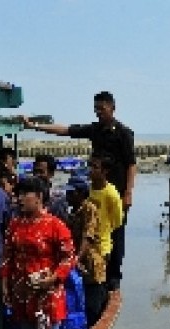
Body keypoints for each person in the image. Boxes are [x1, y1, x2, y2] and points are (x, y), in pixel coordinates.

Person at [21, 90, 136, 290]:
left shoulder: (124, 133)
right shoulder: (95, 129)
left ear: (112, 108)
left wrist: (128, 192)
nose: (98, 112)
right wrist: (35, 126)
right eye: (96, 109)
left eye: (102, 108)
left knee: (116, 232)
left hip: (116, 191)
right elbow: (66, 130)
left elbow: (131, 165)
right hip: (96, 188)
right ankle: (92, 267)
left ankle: (114, 276)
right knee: (92, 229)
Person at [0, 177, 75, 329]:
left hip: (47, 293)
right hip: (22, 293)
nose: (19, 198)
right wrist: (5, 283)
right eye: (19, 194)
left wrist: (53, 279)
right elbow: (7, 257)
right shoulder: (15, 224)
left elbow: (68, 257)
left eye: (25, 194)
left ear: (40, 197)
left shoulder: (55, 225)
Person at [65, 174, 107, 327]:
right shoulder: (72, 212)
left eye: (71, 193)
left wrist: (76, 258)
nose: (67, 196)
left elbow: (87, 237)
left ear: (81, 193)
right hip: (78, 264)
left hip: (91, 265)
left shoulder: (89, 209)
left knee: (93, 308)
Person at [87, 154, 124, 271]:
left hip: (101, 247)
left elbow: (117, 222)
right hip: (86, 244)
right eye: (90, 166)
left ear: (105, 171)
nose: (91, 170)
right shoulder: (86, 189)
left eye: (95, 167)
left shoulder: (111, 194)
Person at [34, 153, 69, 224]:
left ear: (51, 173)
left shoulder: (58, 200)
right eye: (35, 171)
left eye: (41, 172)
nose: (37, 175)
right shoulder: (28, 196)